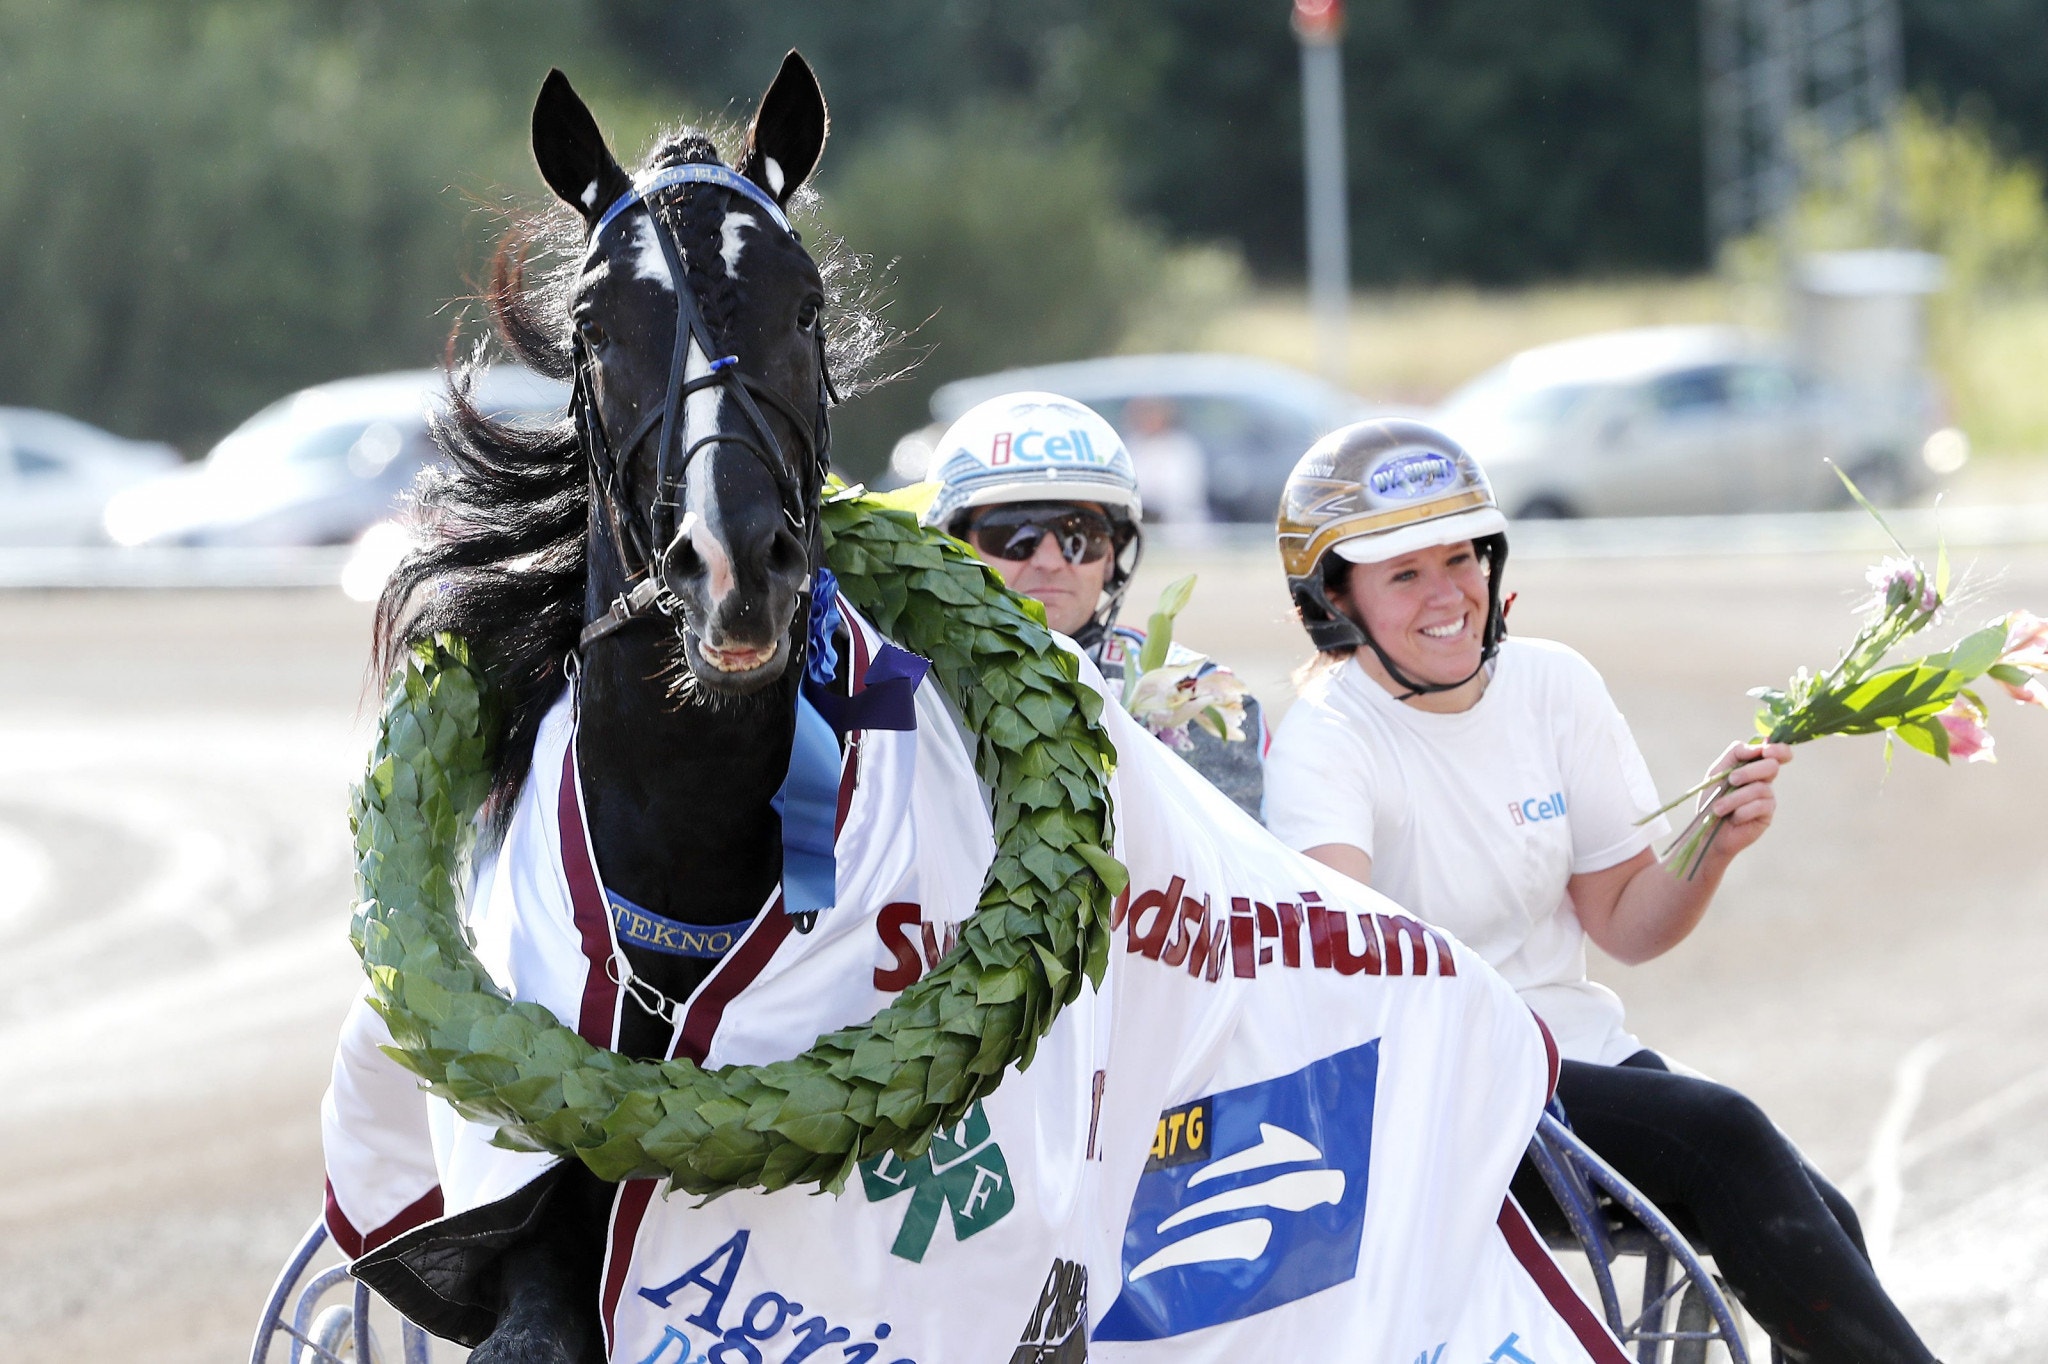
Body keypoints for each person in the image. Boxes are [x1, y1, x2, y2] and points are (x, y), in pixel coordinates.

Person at [1260, 418, 1939, 1364]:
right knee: (1727, 1137)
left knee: (1823, 1220)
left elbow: (1623, 923)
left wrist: (1711, 844)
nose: (1448, 594)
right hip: (1442, 1096)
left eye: (1460, 558)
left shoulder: (1555, 685)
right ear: (1333, 601)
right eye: (1403, 574)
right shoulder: (1328, 739)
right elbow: (1343, 983)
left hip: (1574, 1063)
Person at [922, 390, 1264, 815]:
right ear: (954, 550)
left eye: (1080, 535)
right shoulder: (904, 697)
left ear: (1111, 557)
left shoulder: (1201, 698)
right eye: (1011, 535)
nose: (1049, 562)